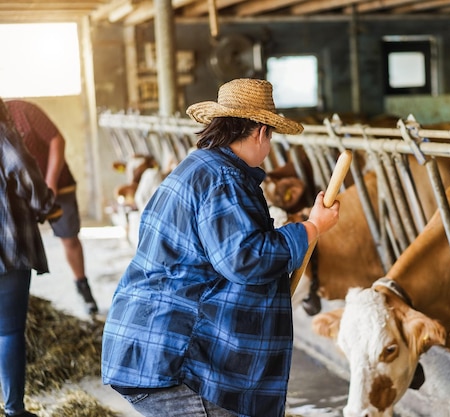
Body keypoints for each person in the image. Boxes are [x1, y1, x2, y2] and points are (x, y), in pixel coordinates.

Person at [101, 78, 340, 417]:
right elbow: (244, 259)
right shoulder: (224, 179)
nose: (269, 148)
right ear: (260, 131)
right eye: (270, 136)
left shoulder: (201, 167)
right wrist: (311, 227)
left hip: (154, 345)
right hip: (179, 359)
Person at [5, 100, 98, 315]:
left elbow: (57, 140)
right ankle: (19, 300)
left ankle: (83, 288)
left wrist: (50, 184)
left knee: (69, 237)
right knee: (17, 244)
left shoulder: (24, 110)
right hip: (17, 193)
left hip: (56, 184)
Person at [0, 97, 59, 417]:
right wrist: (46, 204)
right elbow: (25, 172)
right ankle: (14, 410)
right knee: (8, 331)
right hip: (6, 248)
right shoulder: (3, 135)